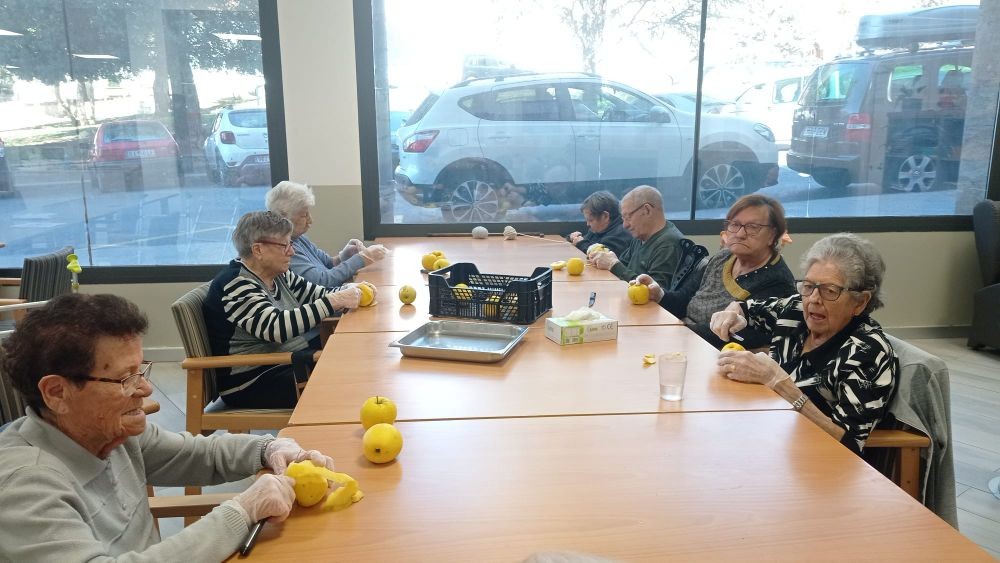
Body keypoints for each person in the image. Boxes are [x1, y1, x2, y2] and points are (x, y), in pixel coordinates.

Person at [0, 294, 336, 560]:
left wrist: (269, 449)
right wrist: (242, 511)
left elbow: (198, 454)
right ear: (57, 393)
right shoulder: (24, 488)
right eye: (126, 378)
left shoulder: (111, 434)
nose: (145, 389)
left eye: (141, 371)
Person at [711, 233, 898, 454]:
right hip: (767, 436)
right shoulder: (796, 310)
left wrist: (780, 384)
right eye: (808, 286)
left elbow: (848, 444)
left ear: (860, 302)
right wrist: (732, 313)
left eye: (830, 291)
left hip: (814, 458)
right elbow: (746, 309)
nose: (813, 299)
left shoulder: (866, 353)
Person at [204, 210, 369, 408]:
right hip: (253, 380)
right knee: (352, 380)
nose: (292, 252)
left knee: (358, 360)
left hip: (283, 362)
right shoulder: (236, 284)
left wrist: (350, 290)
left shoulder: (279, 273)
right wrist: (336, 300)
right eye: (285, 246)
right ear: (258, 250)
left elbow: (317, 294)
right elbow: (276, 329)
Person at [631, 194, 796, 349]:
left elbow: (737, 336)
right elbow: (684, 299)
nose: (740, 234)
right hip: (683, 337)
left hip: (713, 353)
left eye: (753, 227)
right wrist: (659, 295)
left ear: (773, 235)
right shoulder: (723, 257)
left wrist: (675, 332)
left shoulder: (777, 280)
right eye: (735, 224)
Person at [266, 180, 388, 288]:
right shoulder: (284, 249)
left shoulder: (298, 238)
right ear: (284, 217)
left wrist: (344, 256)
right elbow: (322, 282)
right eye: (304, 215)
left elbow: (328, 263)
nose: (310, 220)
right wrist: (362, 258)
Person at [588, 185, 684, 289]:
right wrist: (607, 260)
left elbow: (653, 292)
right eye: (623, 219)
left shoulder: (668, 244)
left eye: (628, 217)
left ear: (647, 210)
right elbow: (622, 264)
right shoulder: (641, 235)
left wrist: (613, 265)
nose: (625, 225)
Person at [566, 190, 633, 257]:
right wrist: (573, 237)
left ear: (605, 216)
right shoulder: (599, 229)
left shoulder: (619, 236)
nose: (588, 224)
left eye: (590, 220)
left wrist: (581, 243)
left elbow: (601, 256)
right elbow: (585, 241)